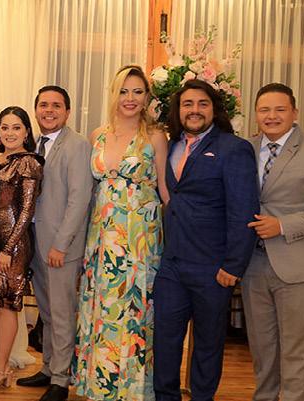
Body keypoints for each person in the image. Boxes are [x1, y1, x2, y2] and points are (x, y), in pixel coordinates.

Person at [154, 79, 259, 401]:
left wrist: (233, 265)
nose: (195, 110)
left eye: (203, 103)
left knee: (208, 344)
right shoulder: (170, 146)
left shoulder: (234, 148)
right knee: (165, 341)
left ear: (214, 109)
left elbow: (244, 210)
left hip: (213, 268)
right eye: (188, 104)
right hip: (172, 264)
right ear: (178, 110)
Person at [241, 83, 304, 401]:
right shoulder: (245, 149)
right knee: (262, 350)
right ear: (255, 114)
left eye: (280, 109)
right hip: (252, 265)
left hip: (300, 266)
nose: (271, 116)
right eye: (264, 110)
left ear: (294, 112)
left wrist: (283, 225)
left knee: (296, 352)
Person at [73, 66, 169, 401]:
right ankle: (100, 385)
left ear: (147, 97)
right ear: (114, 94)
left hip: (140, 239)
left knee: (134, 311)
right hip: (101, 237)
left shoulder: (155, 137)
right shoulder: (97, 135)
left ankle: (134, 389)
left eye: (138, 92)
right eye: (124, 91)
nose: (130, 98)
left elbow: (166, 191)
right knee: (102, 309)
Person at [16, 85, 93, 401]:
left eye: (56, 106)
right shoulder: (35, 144)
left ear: (67, 111)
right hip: (37, 241)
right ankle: (49, 367)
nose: (49, 111)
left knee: (61, 314)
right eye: (43, 105)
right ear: (36, 110)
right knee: (46, 312)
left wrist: (61, 244)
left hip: (61, 246)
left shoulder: (77, 145)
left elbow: (79, 199)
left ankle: (61, 379)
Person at [0, 106, 42, 390]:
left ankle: (0, 369)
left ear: (26, 132)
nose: (10, 133)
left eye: (16, 127)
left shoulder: (28, 163)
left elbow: (26, 211)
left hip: (13, 246)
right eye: (4, 127)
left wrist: (8, 248)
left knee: (5, 307)